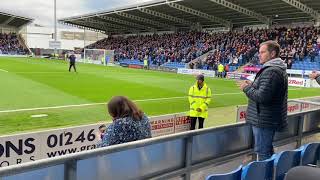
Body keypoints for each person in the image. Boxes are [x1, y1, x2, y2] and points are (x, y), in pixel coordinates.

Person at [238, 41, 288, 161]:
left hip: (264, 120)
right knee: (266, 151)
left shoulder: (271, 71)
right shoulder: (275, 69)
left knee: (263, 153)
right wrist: (253, 84)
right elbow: (267, 90)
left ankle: (266, 176)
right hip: (266, 119)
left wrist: (246, 88)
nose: (259, 55)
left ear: (272, 54)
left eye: (262, 52)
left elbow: (262, 97)